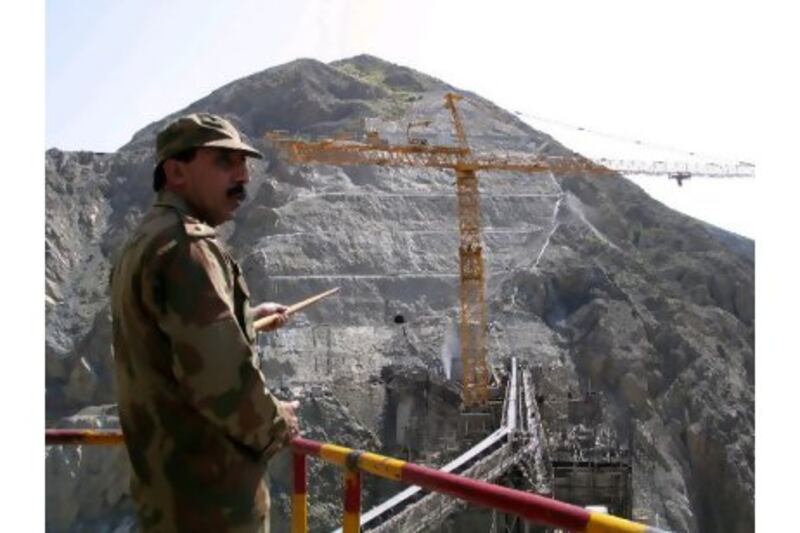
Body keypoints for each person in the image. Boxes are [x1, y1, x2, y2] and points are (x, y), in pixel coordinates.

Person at [110, 112, 300, 532]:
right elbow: (222, 381)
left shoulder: (144, 240)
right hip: (210, 504)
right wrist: (276, 424)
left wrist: (247, 319)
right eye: (224, 162)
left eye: (244, 163)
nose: (243, 176)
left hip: (168, 494)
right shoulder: (186, 246)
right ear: (176, 171)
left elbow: (169, 335)